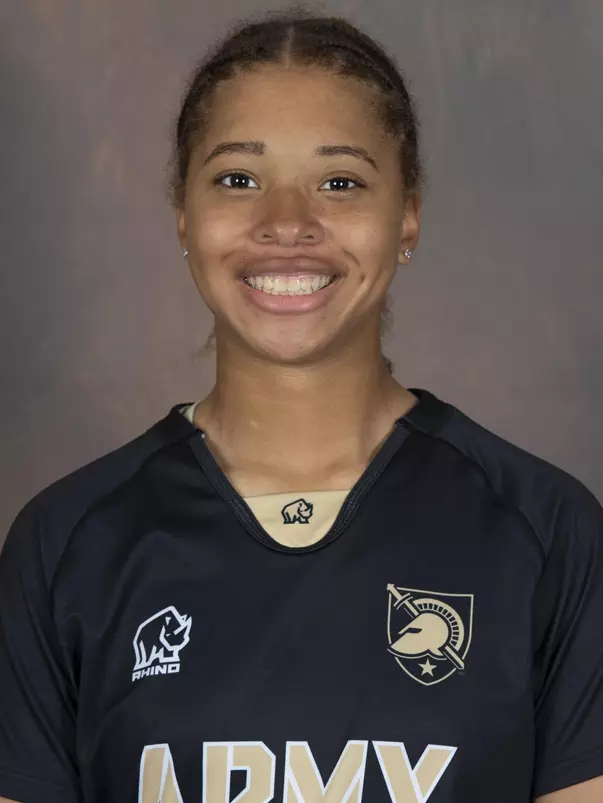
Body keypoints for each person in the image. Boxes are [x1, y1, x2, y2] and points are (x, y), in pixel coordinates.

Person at [0, 7, 602, 803]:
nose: (286, 223)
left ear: (407, 215)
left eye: (340, 181)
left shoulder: (547, 533)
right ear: (183, 210)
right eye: (237, 179)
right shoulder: (65, 544)